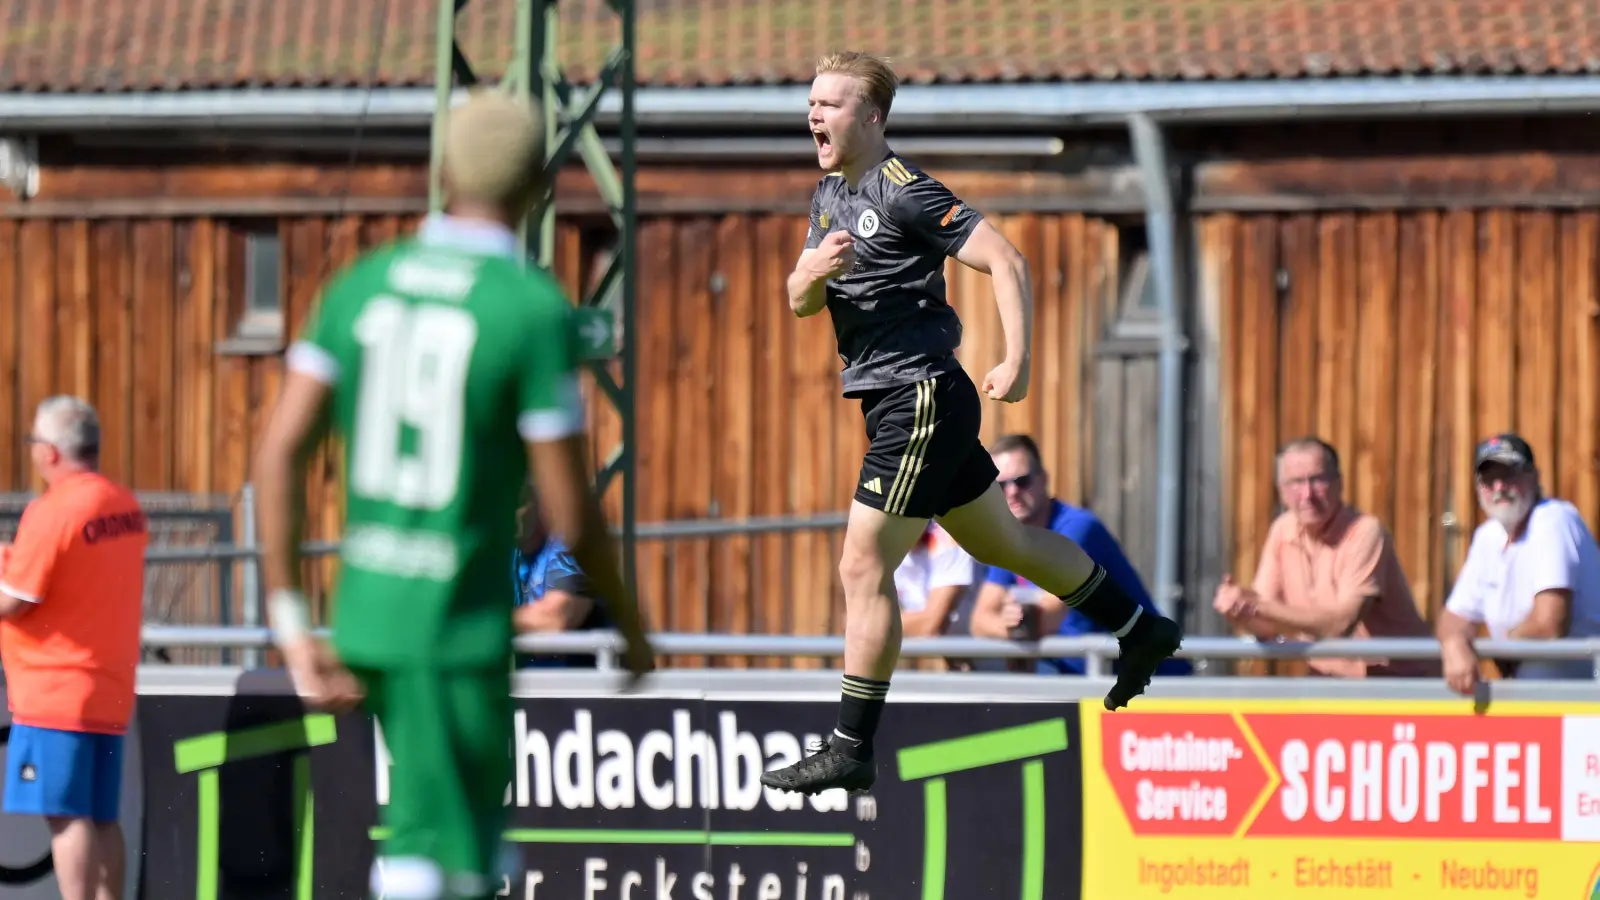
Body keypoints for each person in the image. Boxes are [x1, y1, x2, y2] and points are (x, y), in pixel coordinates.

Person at [251, 89, 656, 900]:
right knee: (450, 849)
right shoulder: (530, 310)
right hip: (458, 626)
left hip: (366, 612)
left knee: (440, 830)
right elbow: (572, 509)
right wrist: (633, 626)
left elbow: (280, 452)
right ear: (539, 190)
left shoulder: (363, 284)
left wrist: (291, 620)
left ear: (441, 171)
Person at [758, 51, 1181, 798]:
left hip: (921, 395)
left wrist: (1016, 359)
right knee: (1004, 542)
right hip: (898, 401)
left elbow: (1006, 260)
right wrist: (809, 274)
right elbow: (799, 302)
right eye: (812, 103)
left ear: (873, 117)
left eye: (831, 104)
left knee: (862, 564)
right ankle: (1138, 628)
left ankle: (852, 745)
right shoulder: (827, 194)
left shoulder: (907, 193)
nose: (815, 115)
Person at [0, 396, 148, 900]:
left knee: (67, 817)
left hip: (56, 690)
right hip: (108, 683)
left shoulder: (54, 510)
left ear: (52, 453)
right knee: (102, 816)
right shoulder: (123, 505)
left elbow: (14, 601)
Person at [1213, 436, 1437, 678]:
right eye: (1296, 482)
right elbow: (1270, 624)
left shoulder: (1364, 532)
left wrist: (1257, 605)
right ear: (1281, 492)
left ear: (1339, 484)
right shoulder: (1282, 530)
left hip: (1403, 688)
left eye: (1317, 480)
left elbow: (1341, 624)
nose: (1307, 494)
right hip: (1331, 685)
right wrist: (1240, 611)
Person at [971, 434, 1193, 677]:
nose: (1012, 492)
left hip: (1155, 684)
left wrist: (1013, 622)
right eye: (1000, 486)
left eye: (1022, 481)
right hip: (1092, 680)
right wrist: (1012, 623)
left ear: (1044, 479)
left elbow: (1044, 620)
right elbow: (979, 620)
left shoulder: (1078, 528)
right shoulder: (1011, 537)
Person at [1437, 433, 1600, 692]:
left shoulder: (1554, 519)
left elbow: (1550, 621)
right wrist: (1454, 642)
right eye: (1488, 479)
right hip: (1532, 699)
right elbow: (1454, 617)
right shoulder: (1487, 536)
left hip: (1581, 700)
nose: (1499, 487)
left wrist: (1503, 648)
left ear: (1534, 477)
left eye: (1509, 474)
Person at [511, 485, 611, 669]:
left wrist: (482, 621)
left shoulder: (573, 541)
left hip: (586, 688)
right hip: (530, 686)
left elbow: (555, 621)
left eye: (517, 504)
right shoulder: (503, 548)